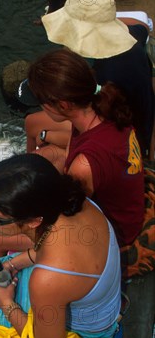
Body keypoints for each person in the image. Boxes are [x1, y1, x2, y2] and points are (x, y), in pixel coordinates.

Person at [0, 153, 121, 338]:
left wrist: (6, 303)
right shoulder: (70, 202)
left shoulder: (47, 278)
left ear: (33, 221)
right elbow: (49, 249)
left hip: (85, 334)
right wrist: (13, 263)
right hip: (84, 296)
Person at [27, 48, 144, 248]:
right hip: (128, 208)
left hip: (116, 234)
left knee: (2, 234)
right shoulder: (105, 110)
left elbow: (69, 217)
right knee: (45, 156)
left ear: (63, 106)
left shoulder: (84, 164)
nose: (40, 107)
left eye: (42, 102)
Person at [25, 0, 154, 159]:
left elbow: (95, 129)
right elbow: (142, 24)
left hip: (130, 134)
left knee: (35, 128)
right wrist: (103, 20)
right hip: (142, 114)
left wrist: (47, 136)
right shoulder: (132, 36)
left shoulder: (107, 78)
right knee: (33, 124)